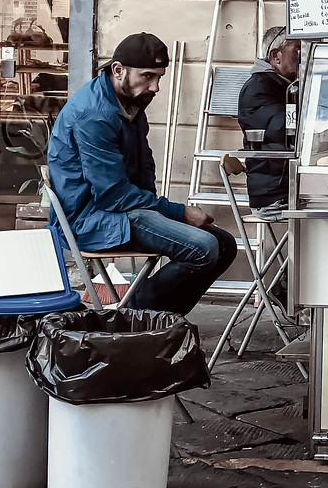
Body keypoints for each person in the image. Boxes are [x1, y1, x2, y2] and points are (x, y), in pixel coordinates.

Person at [48, 32, 236, 315]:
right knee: (204, 247)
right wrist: (178, 213)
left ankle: (162, 319)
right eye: (147, 76)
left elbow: (144, 167)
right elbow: (112, 194)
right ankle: (132, 314)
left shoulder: (130, 102)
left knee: (225, 243)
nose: (156, 86)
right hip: (92, 218)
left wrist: (159, 212)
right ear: (118, 70)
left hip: (122, 210)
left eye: (159, 77)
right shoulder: (94, 115)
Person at [238, 25, 301, 220]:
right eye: (297, 50)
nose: (303, 56)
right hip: (274, 195)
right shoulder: (259, 88)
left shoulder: (283, 85)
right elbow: (286, 128)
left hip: (284, 187)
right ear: (276, 56)